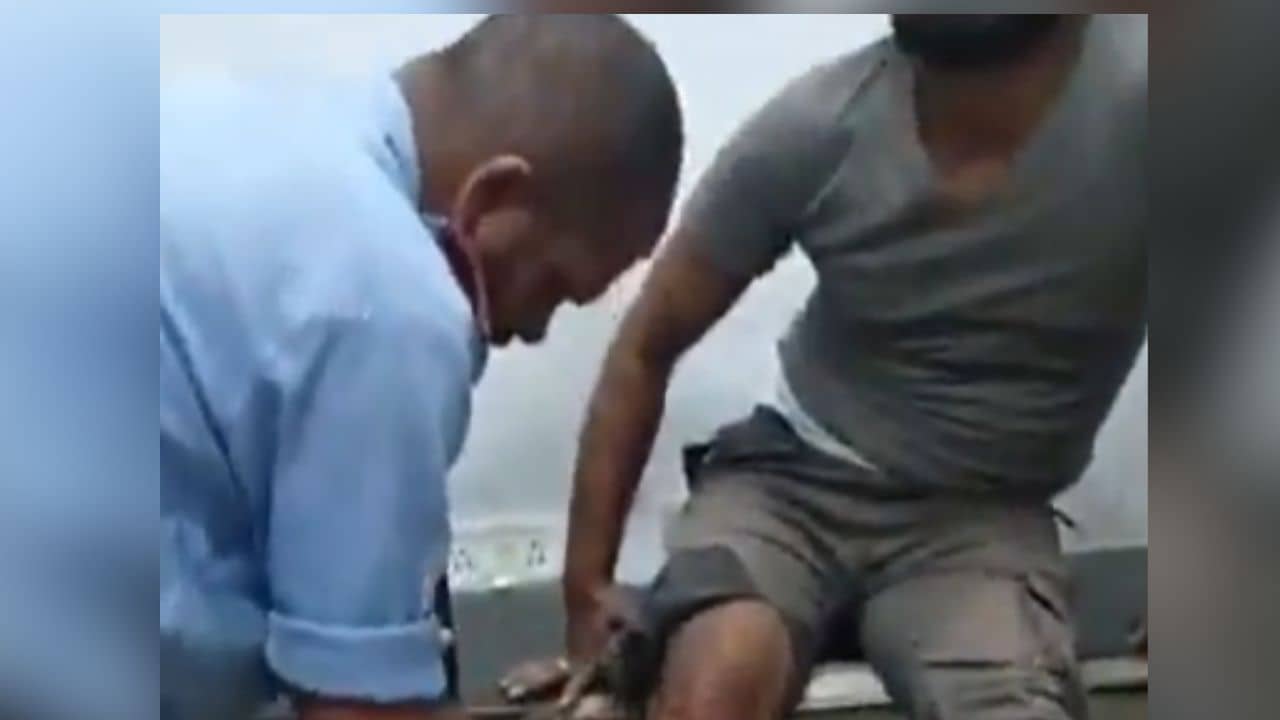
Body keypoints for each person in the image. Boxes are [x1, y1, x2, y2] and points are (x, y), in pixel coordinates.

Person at [559, 14, 1146, 720]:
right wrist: (585, 590)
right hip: (792, 483)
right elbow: (645, 345)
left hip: (983, 517)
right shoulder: (820, 126)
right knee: (718, 676)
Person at [160, 15, 682, 720]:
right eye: (552, 285)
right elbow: (353, 709)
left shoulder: (256, 118)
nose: (533, 330)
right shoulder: (388, 300)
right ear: (495, 197)